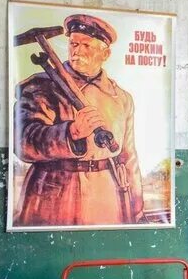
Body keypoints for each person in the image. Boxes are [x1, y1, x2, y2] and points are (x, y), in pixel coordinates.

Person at [13, 14, 144, 226]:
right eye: (73, 43)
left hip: (105, 199)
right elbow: (23, 142)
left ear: (106, 53)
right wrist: (71, 133)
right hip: (51, 196)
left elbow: (128, 156)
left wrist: (137, 210)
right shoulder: (41, 86)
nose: (77, 51)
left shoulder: (121, 98)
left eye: (87, 45)